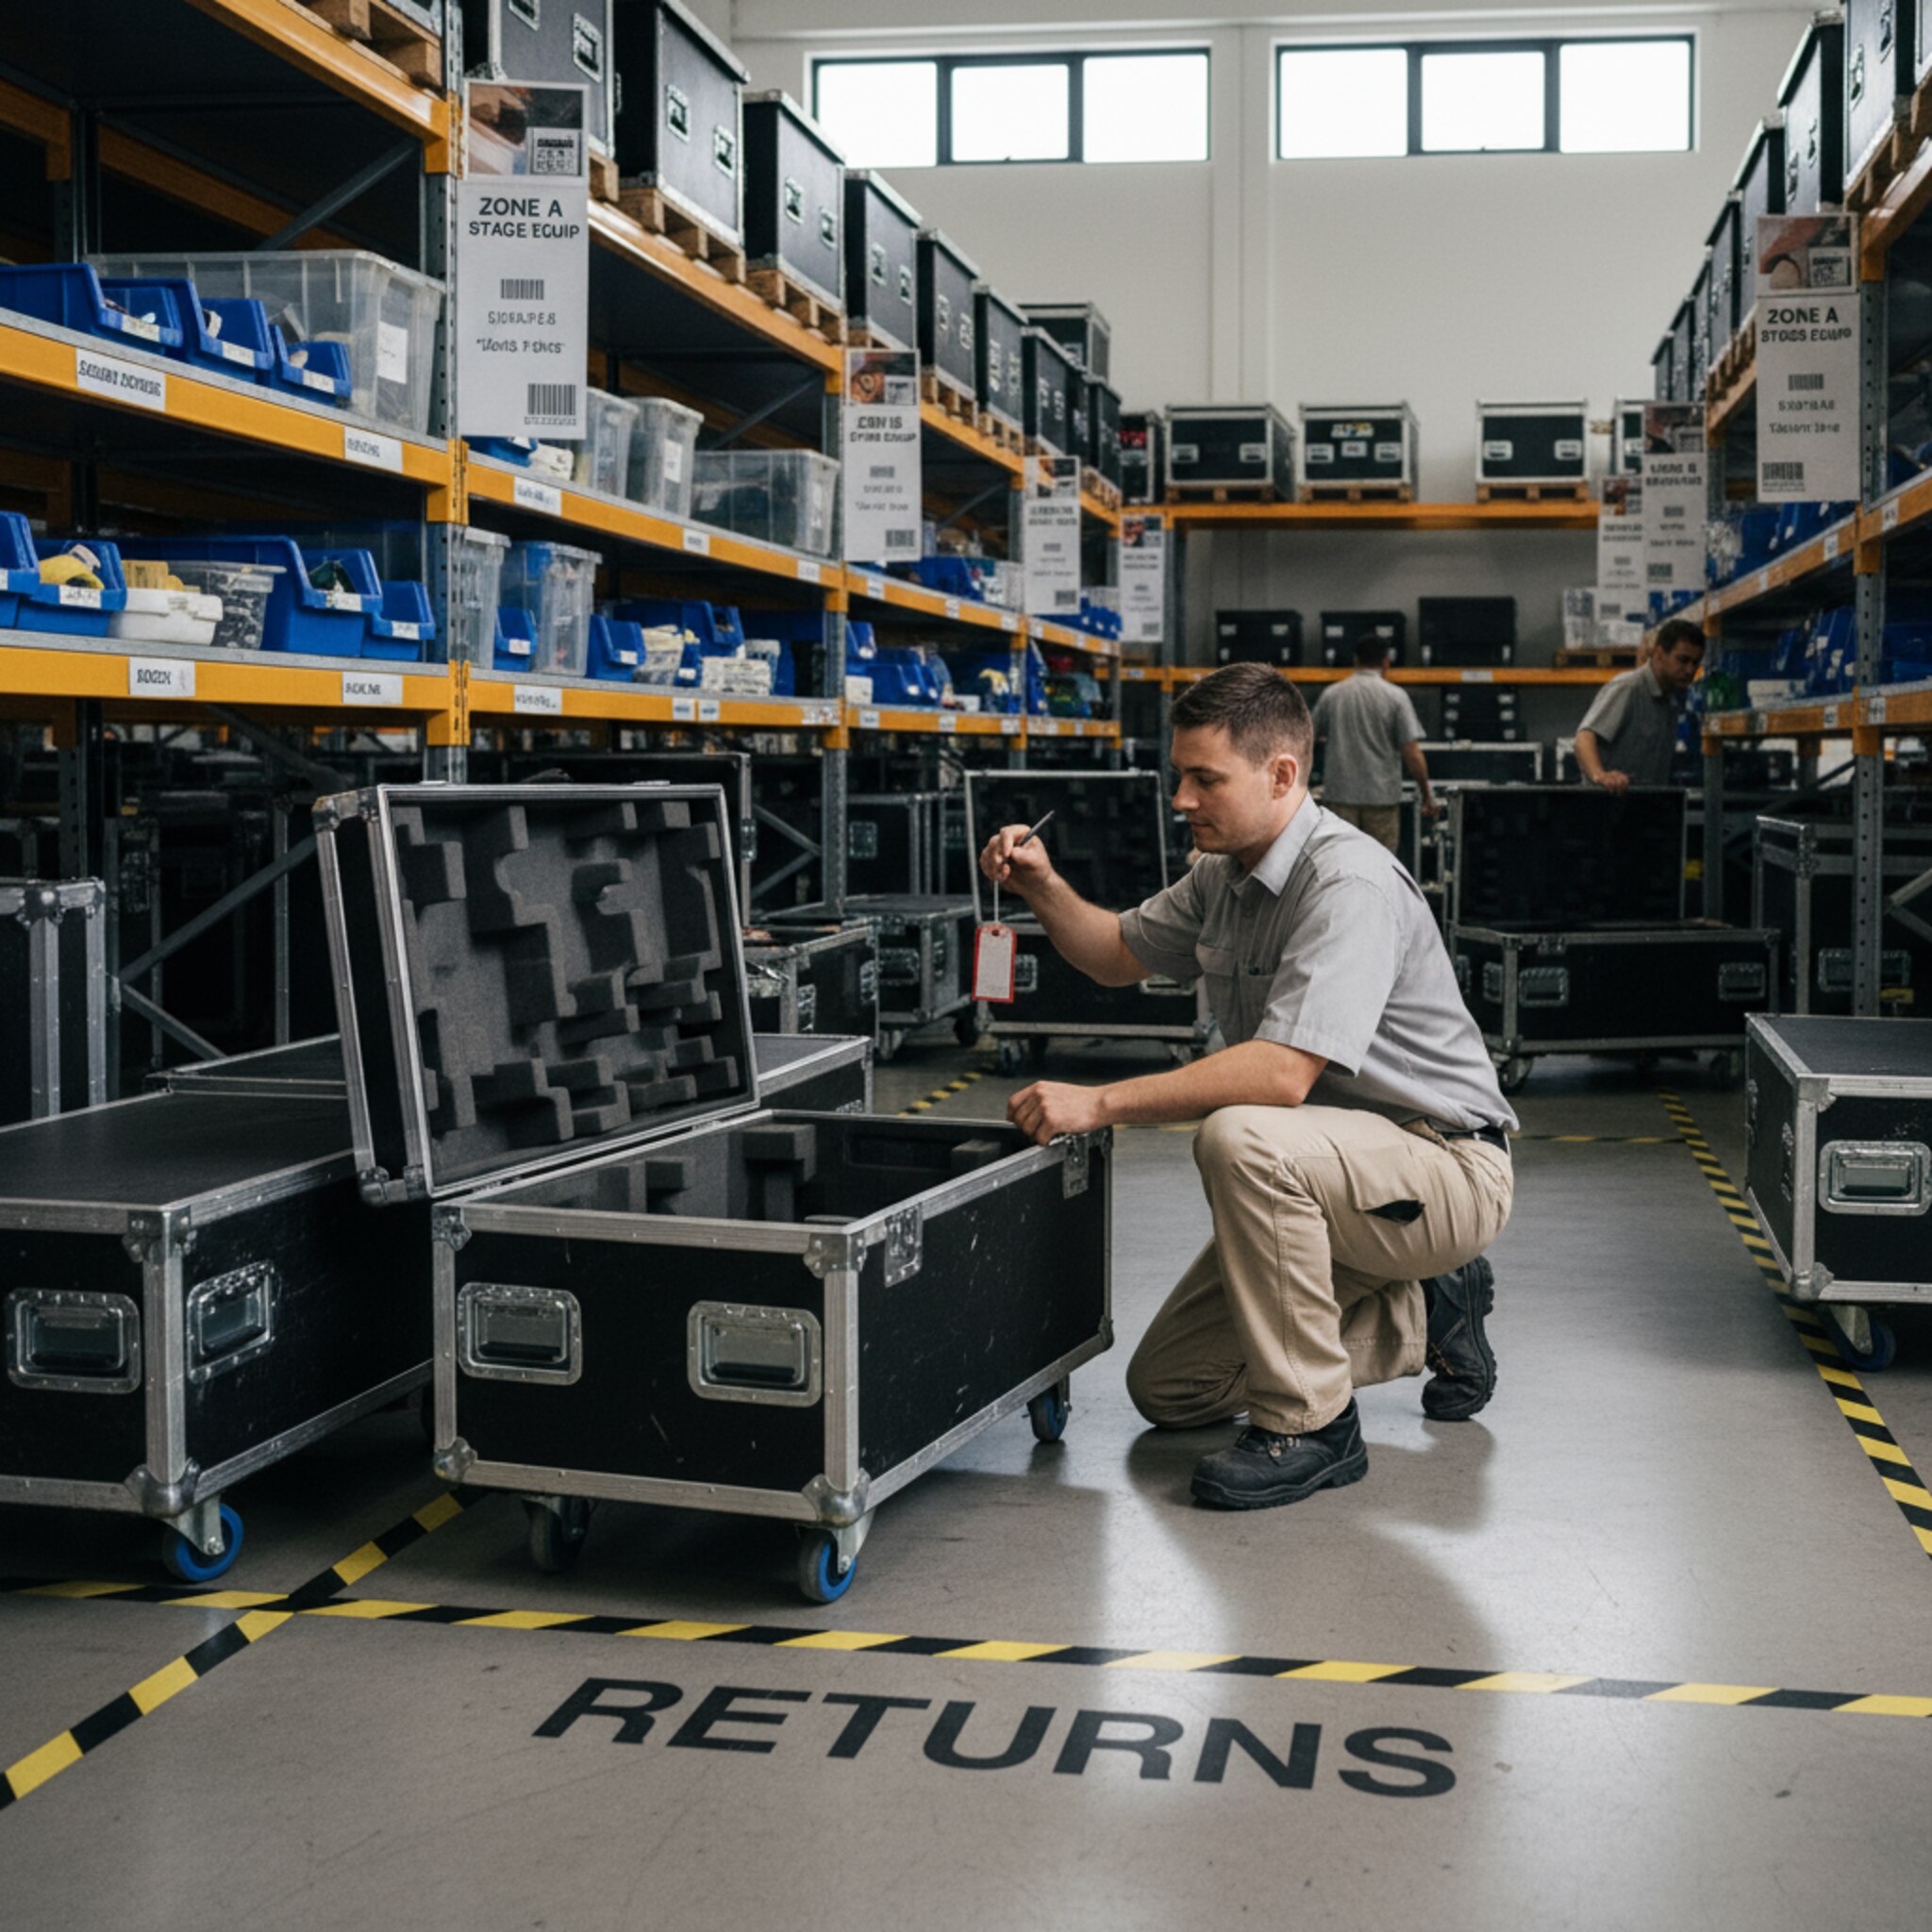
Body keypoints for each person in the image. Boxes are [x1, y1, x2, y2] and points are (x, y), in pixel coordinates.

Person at [979, 663, 1516, 1512]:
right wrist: (1041, 885)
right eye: (1179, 777)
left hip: (1440, 1167)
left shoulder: (1347, 884)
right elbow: (1117, 953)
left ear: (1281, 776)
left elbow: (1280, 1075)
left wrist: (1101, 1101)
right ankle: (1430, 1313)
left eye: (1204, 779)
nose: (1181, 800)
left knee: (1240, 1133)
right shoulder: (1223, 874)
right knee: (1173, 1390)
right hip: (1331, 1176)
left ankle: (1312, 1426)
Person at [1308, 635, 1437, 850]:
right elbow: (1411, 751)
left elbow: (1306, 740)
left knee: (1339, 866)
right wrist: (1426, 794)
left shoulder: (1332, 695)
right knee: (1380, 868)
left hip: (1340, 798)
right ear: (1386, 661)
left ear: (1355, 660)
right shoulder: (1395, 697)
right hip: (1381, 800)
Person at [1574, 618, 1705, 792]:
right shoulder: (1628, 688)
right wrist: (1600, 775)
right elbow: (1584, 737)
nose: (1690, 670)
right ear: (1659, 654)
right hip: (1607, 807)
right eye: (1682, 660)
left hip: (1641, 808)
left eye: (1695, 663)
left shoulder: (1671, 702)